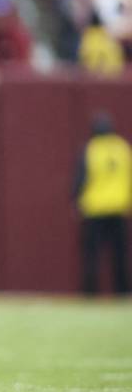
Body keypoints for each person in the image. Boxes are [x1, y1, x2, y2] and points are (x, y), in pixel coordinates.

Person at [73, 112, 131, 295]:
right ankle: (123, 291)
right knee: (120, 255)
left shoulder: (91, 149)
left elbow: (81, 179)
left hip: (94, 209)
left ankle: (91, 292)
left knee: (92, 255)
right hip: (119, 208)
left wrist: (74, 199)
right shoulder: (123, 148)